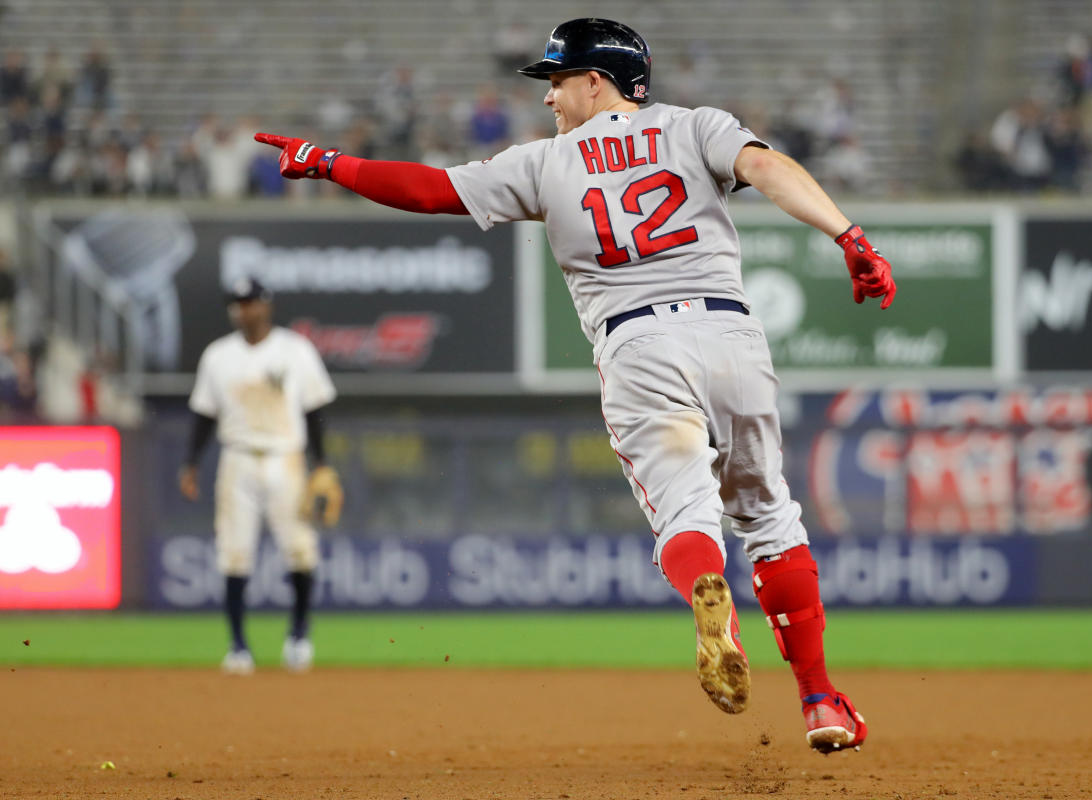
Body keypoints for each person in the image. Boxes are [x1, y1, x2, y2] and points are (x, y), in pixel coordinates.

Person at [254, 18, 894, 752]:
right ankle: (820, 702)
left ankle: (708, 599)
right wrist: (847, 235)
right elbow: (769, 169)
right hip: (730, 334)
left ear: (598, 80)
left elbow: (431, 192)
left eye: (558, 80)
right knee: (769, 515)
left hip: (639, 343)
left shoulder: (548, 162)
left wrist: (329, 163)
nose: (550, 97)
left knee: (687, 518)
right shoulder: (696, 127)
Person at [179, 277, 342, 675]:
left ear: (266, 305)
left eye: (250, 302)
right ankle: (238, 647)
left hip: (286, 456)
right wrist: (192, 463)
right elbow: (204, 414)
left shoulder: (295, 350)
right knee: (234, 554)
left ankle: (299, 637)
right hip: (238, 459)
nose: (244, 310)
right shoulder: (218, 356)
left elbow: (314, 409)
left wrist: (321, 463)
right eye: (238, 303)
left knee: (300, 550)